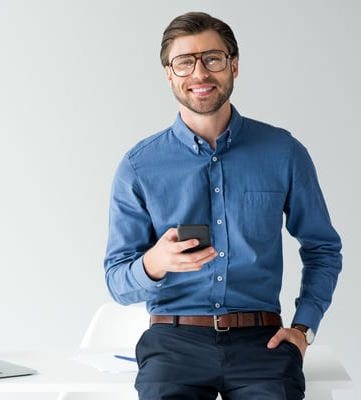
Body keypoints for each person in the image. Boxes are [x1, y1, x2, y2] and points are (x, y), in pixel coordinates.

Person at [103, 11, 342, 400]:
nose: (200, 73)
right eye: (185, 62)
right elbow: (117, 280)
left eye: (212, 58)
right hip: (172, 345)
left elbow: (323, 248)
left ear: (233, 65)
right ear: (169, 73)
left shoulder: (284, 153)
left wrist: (302, 329)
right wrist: (155, 264)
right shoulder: (138, 166)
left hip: (262, 345)